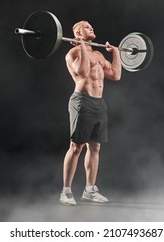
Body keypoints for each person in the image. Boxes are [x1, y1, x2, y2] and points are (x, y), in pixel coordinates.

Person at [59, 20, 122, 206]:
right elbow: (83, 72)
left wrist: (116, 53)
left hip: (99, 103)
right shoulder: (73, 53)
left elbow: (115, 75)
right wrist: (83, 47)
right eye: (87, 27)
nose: (91, 27)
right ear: (78, 34)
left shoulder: (99, 55)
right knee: (76, 147)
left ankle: (89, 190)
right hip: (82, 101)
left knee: (95, 147)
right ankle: (66, 192)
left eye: (91, 26)